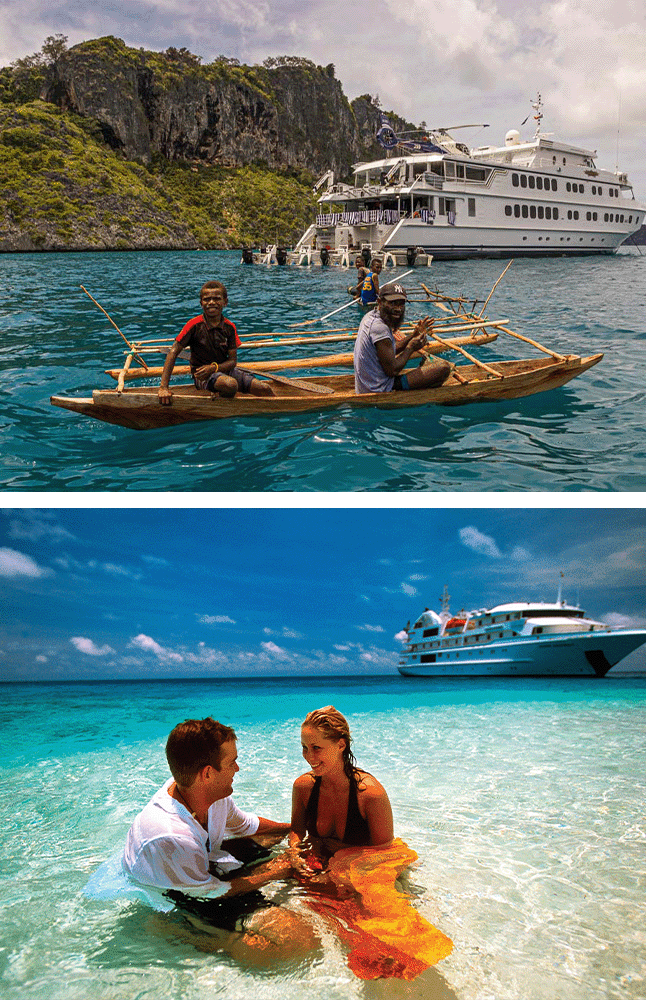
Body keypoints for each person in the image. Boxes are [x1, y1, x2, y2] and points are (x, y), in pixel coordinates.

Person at [123, 716, 318, 960]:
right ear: (207, 774)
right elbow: (215, 892)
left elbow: (246, 825)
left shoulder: (209, 794)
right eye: (232, 763)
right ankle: (190, 934)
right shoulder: (172, 836)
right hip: (177, 891)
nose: (237, 769)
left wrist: (298, 827)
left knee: (274, 842)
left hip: (197, 862)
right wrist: (280, 870)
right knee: (297, 943)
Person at [290, 706, 393, 861]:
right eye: (304, 748)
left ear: (341, 745)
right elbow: (297, 831)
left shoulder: (370, 794)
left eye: (316, 748)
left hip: (360, 867)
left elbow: (385, 851)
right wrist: (294, 853)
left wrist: (342, 858)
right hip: (321, 862)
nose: (309, 757)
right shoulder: (303, 787)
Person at [157, 281, 274, 405]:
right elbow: (173, 352)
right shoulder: (194, 325)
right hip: (202, 376)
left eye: (217, 299)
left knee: (264, 388)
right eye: (207, 299)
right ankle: (221, 402)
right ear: (201, 303)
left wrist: (214, 368)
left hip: (225, 371)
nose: (211, 302)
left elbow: (232, 361)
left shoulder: (229, 327)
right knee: (230, 384)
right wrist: (164, 387)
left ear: (225, 302)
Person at [353, 281, 452, 394]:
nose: (398, 309)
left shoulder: (370, 316)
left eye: (401, 304)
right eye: (393, 303)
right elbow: (392, 370)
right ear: (380, 302)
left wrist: (413, 335)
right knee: (443, 369)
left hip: (369, 383)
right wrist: (410, 348)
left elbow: (389, 350)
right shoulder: (379, 327)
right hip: (379, 388)